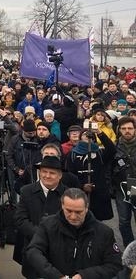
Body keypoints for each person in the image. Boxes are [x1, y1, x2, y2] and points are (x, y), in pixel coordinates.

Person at [24, 187, 122, 279]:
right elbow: (33, 251)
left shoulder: (104, 232)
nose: (73, 217)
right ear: (62, 206)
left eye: (78, 212)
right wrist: (55, 275)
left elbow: (114, 265)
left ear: (87, 208)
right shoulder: (47, 225)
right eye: (69, 211)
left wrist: (85, 275)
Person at [13, 156, 67, 272]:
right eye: (44, 172)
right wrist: (40, 235)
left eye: (52, 173)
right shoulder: (26, 191)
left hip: (59, 253)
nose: (47, 176)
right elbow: (20, 219)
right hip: (33, 248)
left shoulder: (67, 194)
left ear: (60, 175)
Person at [65, 127, 115, 220]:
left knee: (97, 224)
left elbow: (112, 149)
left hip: (98, 194)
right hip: (80, 195)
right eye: (84, 134)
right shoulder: (72, 154)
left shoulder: (100, 152)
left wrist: (100, 133)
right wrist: (81, 186)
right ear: (80, 138)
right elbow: (69, 175)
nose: (88, 135)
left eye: (90, 134)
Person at [112, 116, 136, 246]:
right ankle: (130, 251)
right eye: (124, 128)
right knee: (124, 221)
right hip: (121, 187)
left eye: (130, 128)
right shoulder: (114, 146)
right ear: (119, 130)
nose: (127, 131)